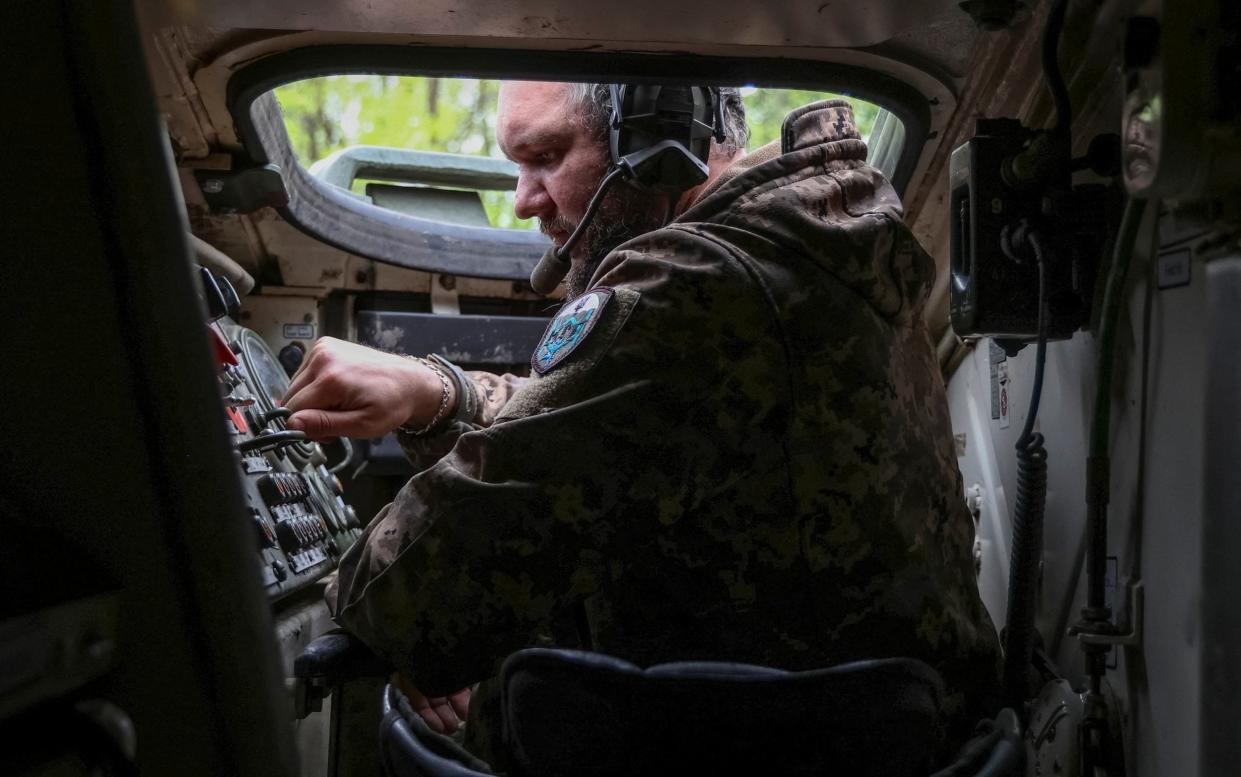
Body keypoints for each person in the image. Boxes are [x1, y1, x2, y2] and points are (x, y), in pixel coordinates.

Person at [283, 81, 1001, 759]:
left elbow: (433, 580)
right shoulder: (802, 231)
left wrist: (365, 610)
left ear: (660, 131)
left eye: (545, 157)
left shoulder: (696, 280)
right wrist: (436, 393)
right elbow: (600, 427)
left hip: (787, 747)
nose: (523, 202)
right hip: (870, 728)